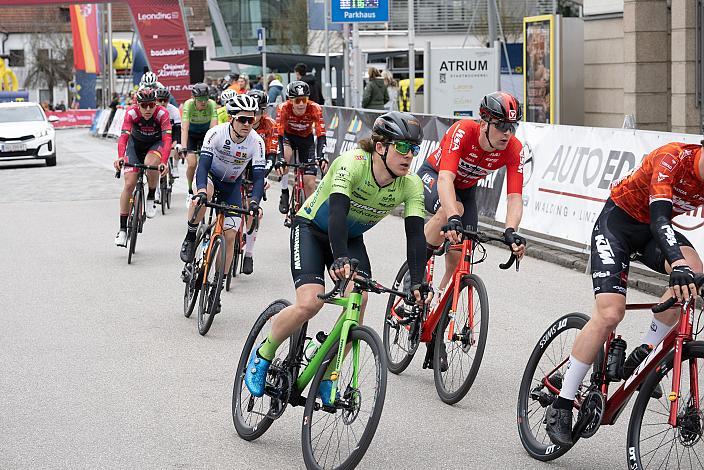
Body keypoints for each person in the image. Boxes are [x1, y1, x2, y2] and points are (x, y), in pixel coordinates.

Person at [244, 111, 432, 402]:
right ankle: (263, 353)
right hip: (312, 228)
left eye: (415, 149)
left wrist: (418, 282)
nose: (410, 156)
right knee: (310, 303)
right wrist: (340, 258)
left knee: (359, 301)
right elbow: (336, 213)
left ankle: (327, 371)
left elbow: (416, 236)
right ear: (381, 146)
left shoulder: (411, 185)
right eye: (403, 147)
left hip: (349, 237)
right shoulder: (351, 164)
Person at [545, 141, 704, 447]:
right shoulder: (672, 158)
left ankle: (644, 354)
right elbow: (660, 218)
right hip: (617, 225)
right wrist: (678, 263)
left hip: (652, 234)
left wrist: (685, 267)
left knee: (692, 276)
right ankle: (562, 403)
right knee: (610, 313)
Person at [417, 91, 526, 302]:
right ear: (484, 123)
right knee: (453, 211)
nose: (508, 133)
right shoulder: (463, 130)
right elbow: (445, 179)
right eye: (502, 126)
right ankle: (415, 270)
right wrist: (453, 218)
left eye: (513, 127)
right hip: (434, 176)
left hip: (466, 191)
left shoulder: (514, 149)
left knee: (462, 252)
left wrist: (511, 230)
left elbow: (514, 197)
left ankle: (439, 301)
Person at [179, 95, 266, 312]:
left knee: (229, 235)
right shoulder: (216, 134)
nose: (248, 124)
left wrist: (254, 202)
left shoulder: (256, 142)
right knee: (202, 197)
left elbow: (257, 178)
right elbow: (203, 165)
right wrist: (199, 190)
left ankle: (217, 286)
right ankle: (191, 236)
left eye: (251, 119)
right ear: (231, 119)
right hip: (210, 177)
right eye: (243, 119)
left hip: (231, 186)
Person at [113, 87, 171, 246]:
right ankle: (123, 229)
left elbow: (167, 140)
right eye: (144, 105)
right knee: (129, 184)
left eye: (151, 105)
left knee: (150, 164)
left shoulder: (162, 114)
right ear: (137, 104)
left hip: (155, 144)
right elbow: (124, 137)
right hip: (135, 146)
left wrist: (164, 162)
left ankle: (151, 195)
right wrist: (120, 156)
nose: (148, 109)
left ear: (156, 104)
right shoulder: (131, 113)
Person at [237, 89, 278, 275]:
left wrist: (263, 177)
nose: (256, 116)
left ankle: (249, 253)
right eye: (253, 112)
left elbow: (271, 155)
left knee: (253, 211)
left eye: (260, 111)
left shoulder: (270, 125)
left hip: (258, 167)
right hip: (237, 165)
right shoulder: (239, 123)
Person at [274, 80, 327, 216]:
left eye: (304, 99)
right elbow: (278, 134)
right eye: (297, 101)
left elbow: (321, 134)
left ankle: (309, 215)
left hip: (306, 140)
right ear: (290, 100)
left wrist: (321, 155)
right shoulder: (283, 108)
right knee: (285, 156)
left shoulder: (315, 108)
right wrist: (279, 159)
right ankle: (285, 191)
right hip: (288, 137)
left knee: (310, 183)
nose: (302, 104)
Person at [178, 83, 218, 206]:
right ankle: (190, 190)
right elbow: (184, 128)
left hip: (205, 134)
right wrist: (184, 147)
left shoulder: (211, 104)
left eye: (206, 99)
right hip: (192, 135)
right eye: (200, 100)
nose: (204, 102)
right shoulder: (188, 105)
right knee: (192, 164)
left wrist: (214, 146)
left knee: (208, 163)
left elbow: (214, 128)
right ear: (194, 98)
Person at [155, 86, 181, 178]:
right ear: (156, 100)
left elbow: (178, 128)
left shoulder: (174, 110)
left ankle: (175, 167)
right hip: (158, 134)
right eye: (160, 100)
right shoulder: (152, 109)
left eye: (165, 100)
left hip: (172, 132)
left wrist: (176, 141)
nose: (162, 103)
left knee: (178, 147)